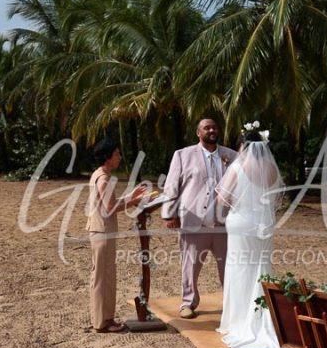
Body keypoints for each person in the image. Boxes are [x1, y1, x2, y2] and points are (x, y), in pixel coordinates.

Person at [215, 125, 287, 348]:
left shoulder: (237, 167)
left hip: (241, 225)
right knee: (261, 267)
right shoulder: (272, 169)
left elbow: (222, 199)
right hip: (264, 226)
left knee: (240, 270)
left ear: (243, 146)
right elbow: (275, 198)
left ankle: (238, 322)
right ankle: (265, 317)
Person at [161, 119, 239, 319]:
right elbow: (171, 186)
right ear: (198, 133)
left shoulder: (231, 156)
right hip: (194, 221)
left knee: (229, 266)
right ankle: (188, 303)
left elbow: (239, 187)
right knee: (190, 265)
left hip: (224, 224)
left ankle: (232, 303)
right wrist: (169, 213)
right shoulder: (182, 155)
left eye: (214, 127)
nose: (211, 130)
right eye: (207, 128)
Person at [86, 137, 147, 333]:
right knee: (104, 278)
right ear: (108, 157)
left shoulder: (99, 175)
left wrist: (131, 196)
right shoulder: (104, 178)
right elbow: (111, 207)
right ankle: (104, 322)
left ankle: (102, 319)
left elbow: (109, 201)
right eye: (117, 154)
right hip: (102, 232)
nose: (120, 157)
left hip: (100, 230)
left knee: (103, 277)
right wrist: (134, 201)